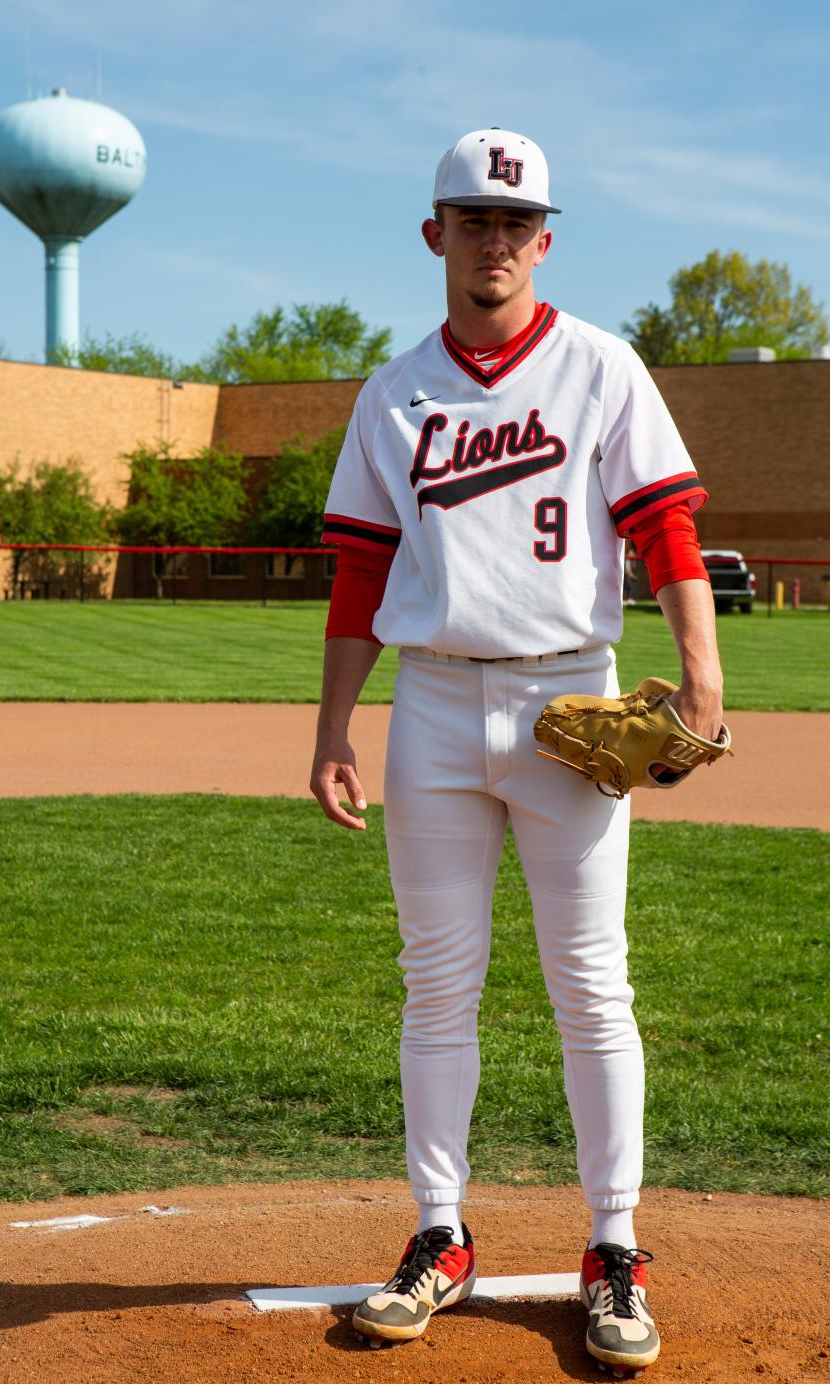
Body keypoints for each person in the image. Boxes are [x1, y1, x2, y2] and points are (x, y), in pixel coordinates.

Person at [309, 127, 723, 1375]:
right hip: (431, 705)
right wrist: (332, 726)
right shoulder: (392, 395)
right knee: (437, 984)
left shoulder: (601, 367)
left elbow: (665, 531)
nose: (495, 241)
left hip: (566, 708)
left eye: (516, 222)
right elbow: (359, 572)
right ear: (436, 234)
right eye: (473, 219)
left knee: (592, 984)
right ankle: (440, 1232)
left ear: (545, 239)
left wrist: (703, 671)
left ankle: (614, 1248)